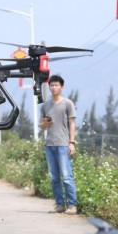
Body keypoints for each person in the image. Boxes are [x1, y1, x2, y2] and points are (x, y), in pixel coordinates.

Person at [39, 75, 78, 215]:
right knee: (54, 177)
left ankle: (72, 205)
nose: (54, 87)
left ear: (62, 87)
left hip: (63, 144)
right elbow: (42, 126)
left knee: (67, 176)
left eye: (56, 85)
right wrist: (45, 123)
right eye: (52, 85)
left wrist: (71, 143)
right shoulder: (45, 105)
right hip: (49, 144)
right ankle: (60, 205)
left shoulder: (68, 103)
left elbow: (72, 124)